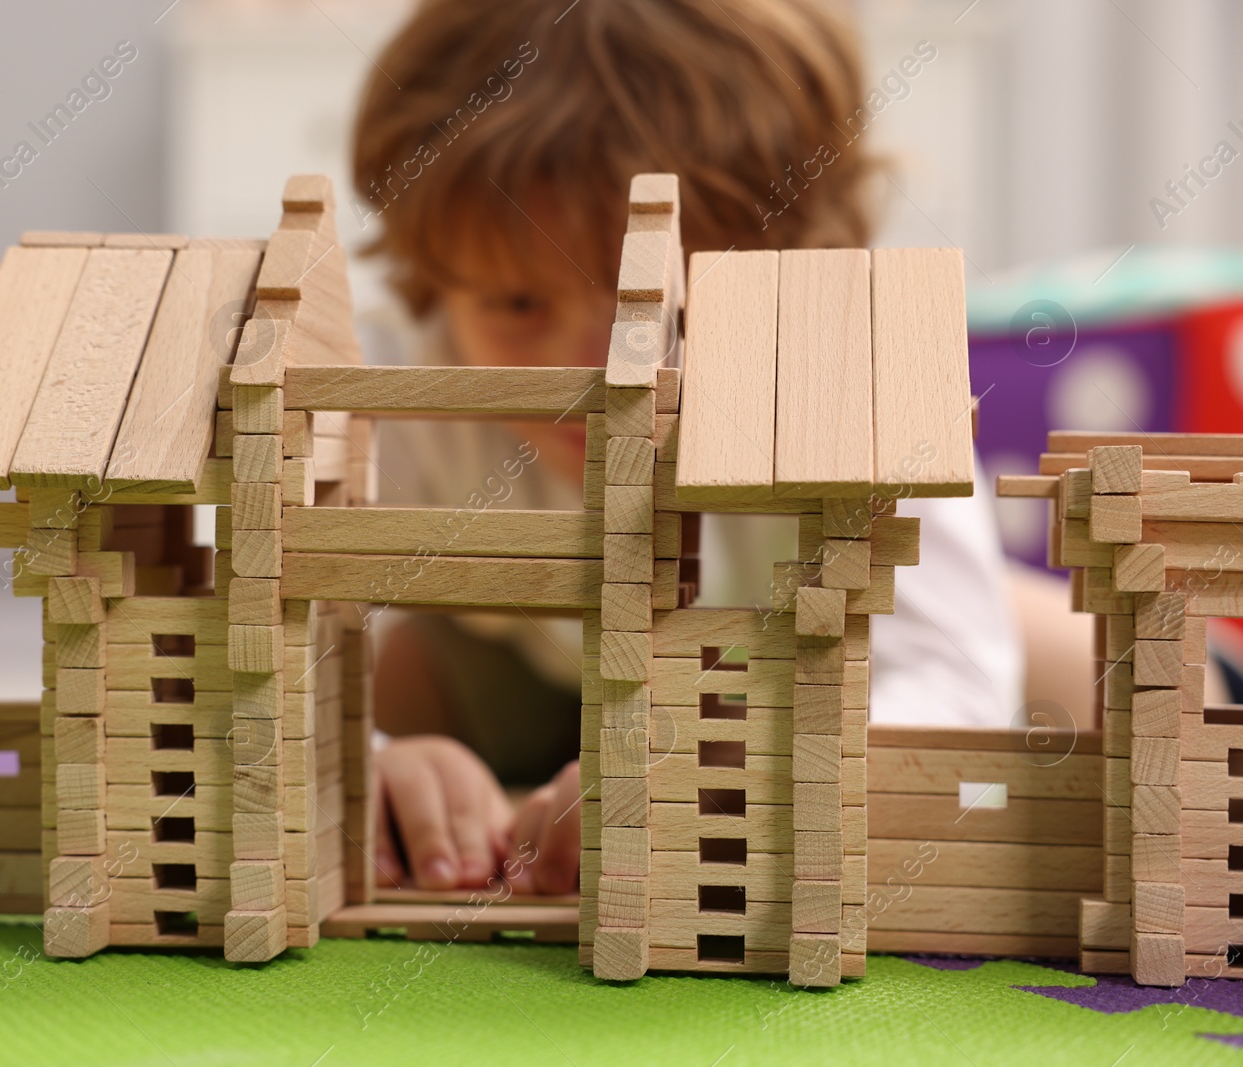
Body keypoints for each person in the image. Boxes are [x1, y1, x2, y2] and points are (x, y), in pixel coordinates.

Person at [348, 0, 1024, 896]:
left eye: (669, 315)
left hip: (780, 669)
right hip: (531, 666)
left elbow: (955, 675)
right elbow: (251, 619)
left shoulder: (847, 368)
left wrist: (730, 762)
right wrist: (372, 762)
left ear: (795, 269)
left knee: (1049, 660)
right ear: (435, 280)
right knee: (404, 670)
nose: (593, 373)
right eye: (517, 304)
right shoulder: (403, 378)